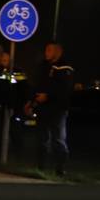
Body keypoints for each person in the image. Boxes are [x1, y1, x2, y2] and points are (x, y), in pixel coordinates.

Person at [30, 41, 74, 175]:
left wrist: (48, 96)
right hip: (43, 109)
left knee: (58, 139)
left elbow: (64, 89)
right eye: (46, 50)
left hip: (58, 109)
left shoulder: (65, 68)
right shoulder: (43, 66)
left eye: (49, 50)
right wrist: (31, 102)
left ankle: (60, 168)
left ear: (58, 51)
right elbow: (37, 85)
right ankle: (40, 167)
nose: (46, 52)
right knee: (42, 139)